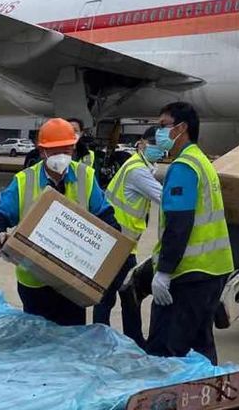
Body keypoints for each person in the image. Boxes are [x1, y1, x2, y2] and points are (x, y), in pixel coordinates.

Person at [0, 117, 118, 326]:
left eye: (67, 150)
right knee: (38, 340)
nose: (62, 156)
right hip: (34, 280)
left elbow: (106, 215)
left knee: (71, 339)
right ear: (42, 151)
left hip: (74, 280)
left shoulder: (86, 176)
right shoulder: (24, 180)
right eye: (55, 151)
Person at [143, 102, 233, 364]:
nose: (158, 133)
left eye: (163, 126)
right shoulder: (201, 162)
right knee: (199, 350)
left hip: (189, 274)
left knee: (168, 351)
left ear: (181, 128)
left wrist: (164, 271)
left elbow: (178, 224)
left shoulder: (184, 167)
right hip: (212, 270)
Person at [95, 127, 164, 347]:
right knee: (124, 292)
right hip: (120, 242)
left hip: (121, 241)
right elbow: (164, 197)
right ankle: (129, 339)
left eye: (160, 145)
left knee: (113, 293)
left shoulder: (138, 165)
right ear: (141, 143)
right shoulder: (138, 171)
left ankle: (104, 338)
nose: (157, 149)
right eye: (153, 143)